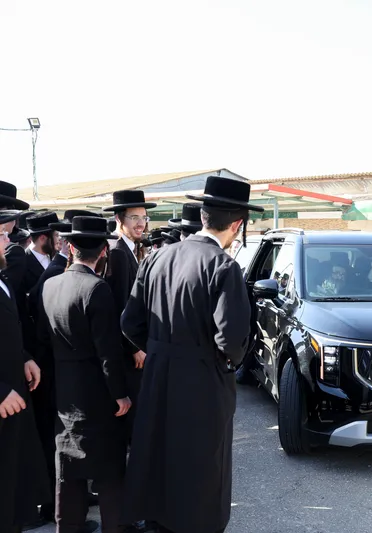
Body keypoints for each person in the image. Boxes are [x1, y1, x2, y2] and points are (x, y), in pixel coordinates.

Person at [120, 176, 262, 533]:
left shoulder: (156, 258)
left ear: (202, 216)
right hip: (202, 380)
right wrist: (221, 362)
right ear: (237, 225)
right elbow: (231, 340)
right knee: (200, 463)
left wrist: (158, 348)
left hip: (157, 376)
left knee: (158, 453)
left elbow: (129, 323)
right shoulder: (223, 266)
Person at [37, 216, 129, 533]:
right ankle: (115, 527)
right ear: (103, 251)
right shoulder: (97, 288)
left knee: (68, 469)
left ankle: (67, 528)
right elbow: (108, 352)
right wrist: (120, 394)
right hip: (97, 394)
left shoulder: (49, 285)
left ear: (71, 247)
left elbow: (41, 339)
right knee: (109, 471)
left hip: (64, 390)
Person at [0, 209, 52, 533]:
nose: (7, 242)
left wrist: (23, 357)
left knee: (13, 495)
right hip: (4, 398)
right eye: (1, 236)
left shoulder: (1, 276)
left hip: (14, 397)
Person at [102, 190, 156, 443]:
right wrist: (134, 348)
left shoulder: (130, 249)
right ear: (119, 219)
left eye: (144, 217)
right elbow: (120, 306)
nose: (140, 223)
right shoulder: (119, 253)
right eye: (134, 217)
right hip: (128, 353)